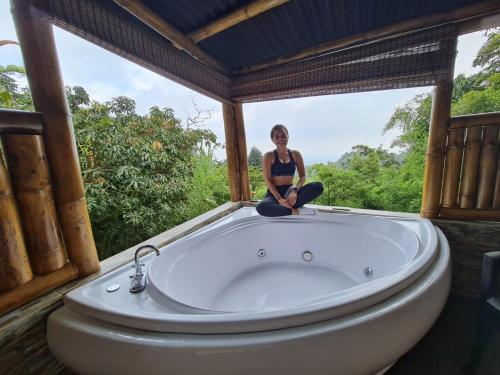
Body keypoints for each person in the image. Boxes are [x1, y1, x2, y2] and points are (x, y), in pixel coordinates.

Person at [256, 124, 323, 217]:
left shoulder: (295, 154)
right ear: (273, 139)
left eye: (283, 135)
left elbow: (302, 176)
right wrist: (279, 199)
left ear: (288, 136)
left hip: (290, 192)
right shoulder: (269, 156)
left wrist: (295, 191)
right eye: (277, 136)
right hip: (274, 194)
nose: (281, 138)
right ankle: (294, 211)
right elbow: (268, 180)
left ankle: (283, 207)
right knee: (261, 207)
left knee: (318, 186)